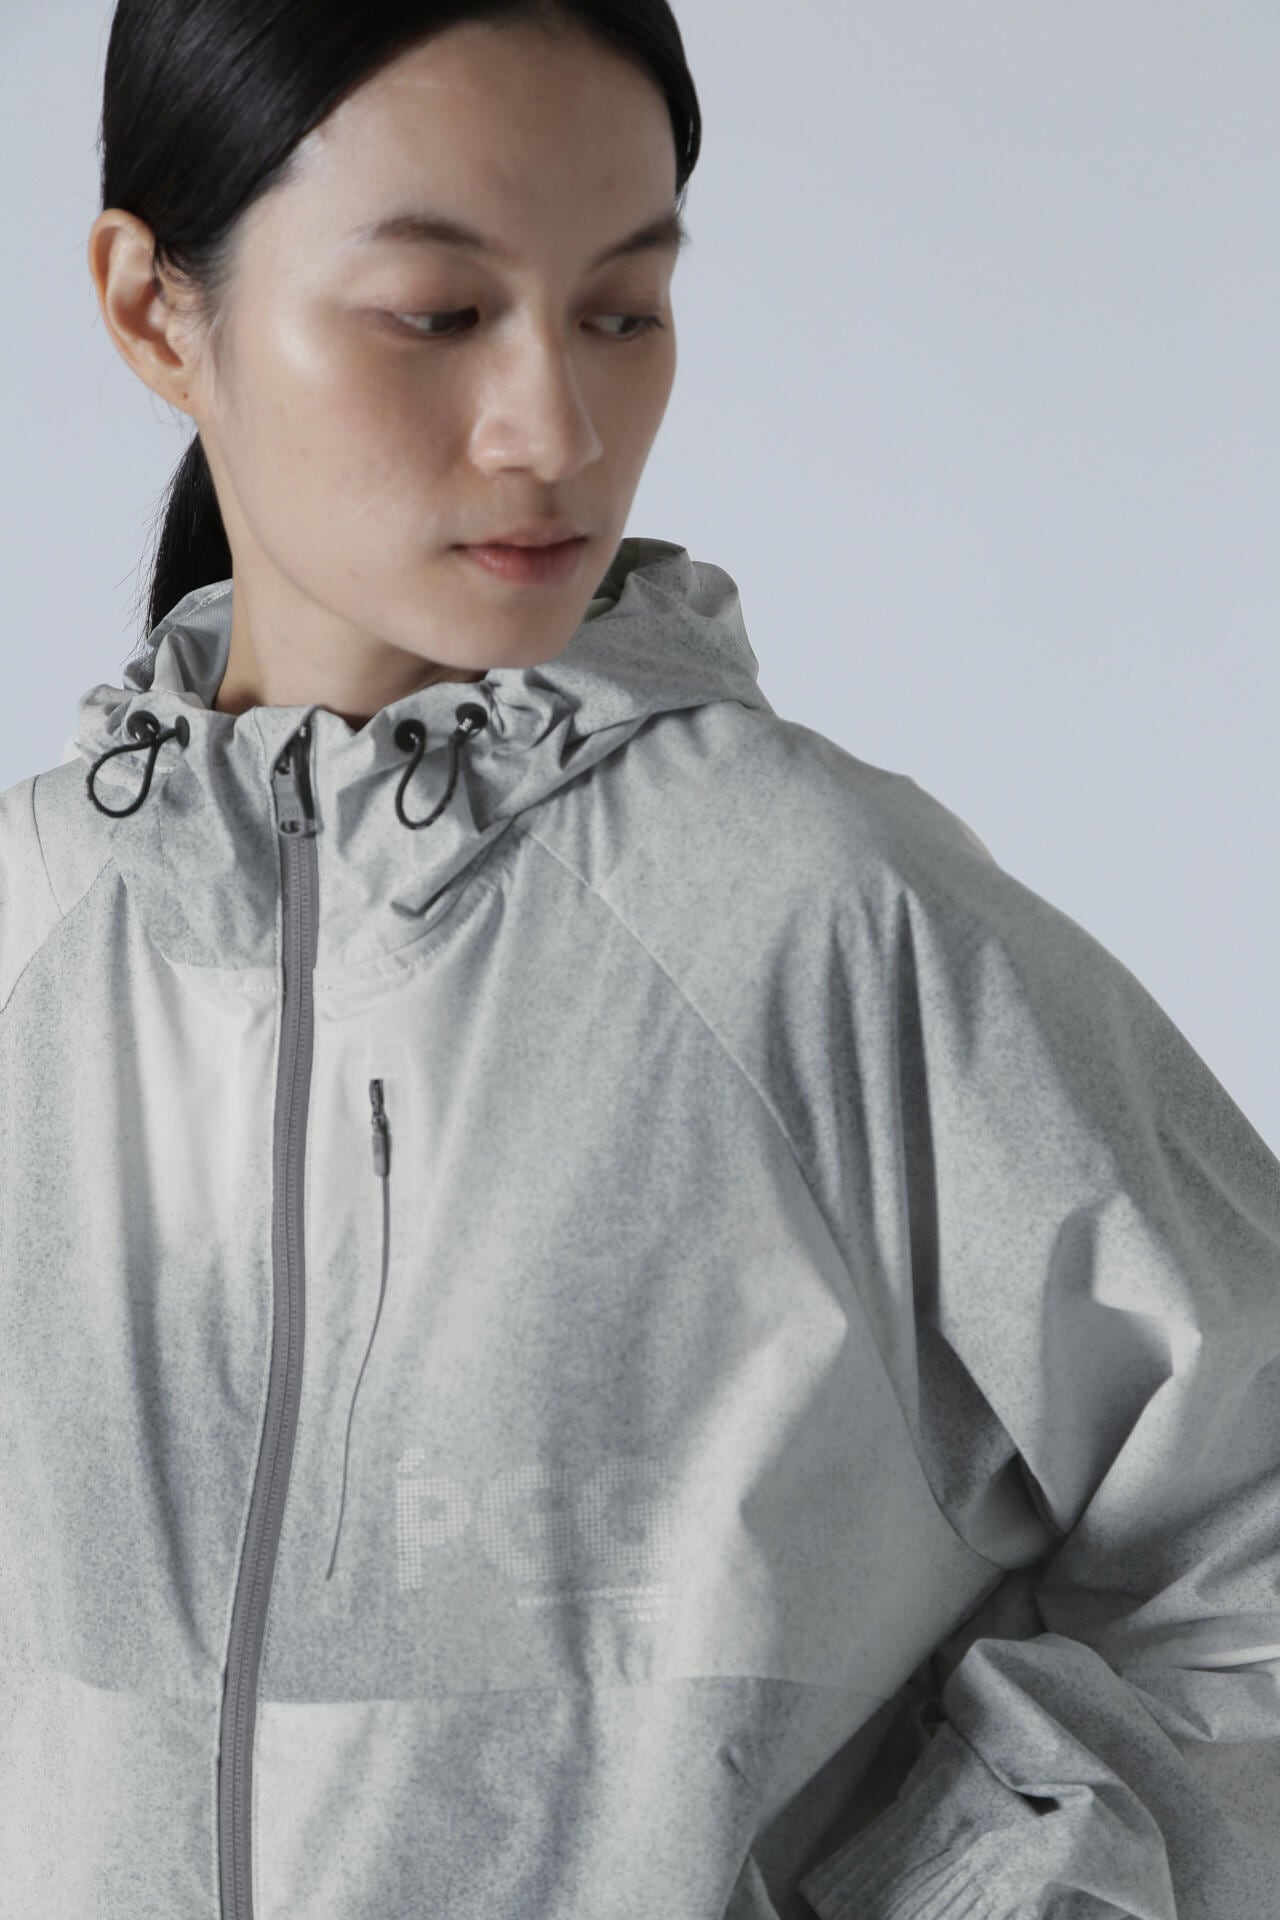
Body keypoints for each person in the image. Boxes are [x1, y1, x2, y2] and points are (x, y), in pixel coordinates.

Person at [2, 3, 1278, 1916]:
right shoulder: (33, 932)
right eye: (439, 313)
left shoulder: (806, 914)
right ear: (153, 309)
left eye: (620, 310)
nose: (556, 430)